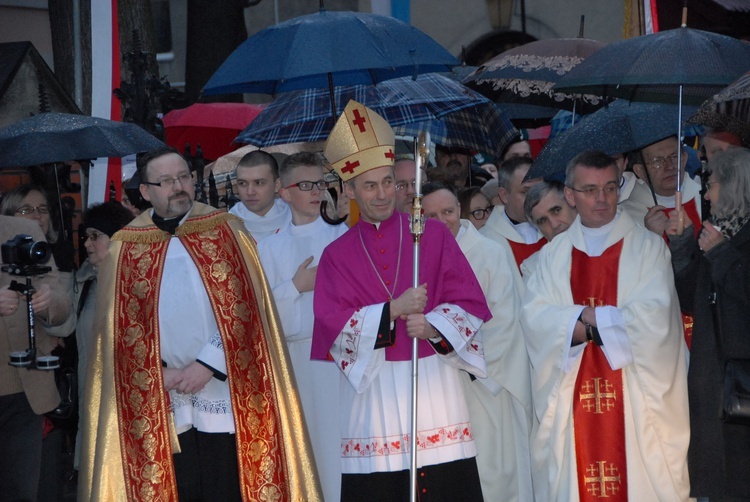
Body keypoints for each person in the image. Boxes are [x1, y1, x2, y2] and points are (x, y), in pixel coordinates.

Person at [79, 147, 320, 501]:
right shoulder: (126, 246)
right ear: (145, 191)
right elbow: (119, 328)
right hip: (160, 392)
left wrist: (208, 363)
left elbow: (248, 309)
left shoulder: (226, 230)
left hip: (225, 387)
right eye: (165, 181)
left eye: (182, 178)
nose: (177, 187)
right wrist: (157, 370)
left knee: (227, 485)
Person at [312, 101, 491, 501]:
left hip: (431, 382)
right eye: (370, 185)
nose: (381, 194)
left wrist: (431, 326)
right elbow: (330, 325)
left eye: (389, 182)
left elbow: (469, 302)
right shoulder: (336, 255)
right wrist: (392, 311)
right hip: (373, 392)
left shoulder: (431, 234)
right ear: (351, 190)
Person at [521, 151, 690, 501]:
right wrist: (592, 321)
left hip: (635, 399)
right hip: (572, 398)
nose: (602, 199)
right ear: (570, 195)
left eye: (610, 188)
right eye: (590, 190)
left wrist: (582, 319)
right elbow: (536, 319)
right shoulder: (553, 257)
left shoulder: (648, 249)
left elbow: (656, 319)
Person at [422, 182, 533, 502]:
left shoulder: (489, 252)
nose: (443, 221)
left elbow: (506, 322)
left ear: (460, 210)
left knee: (494, 475)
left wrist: (458, 354)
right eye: (431, 215)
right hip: (438, 386)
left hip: (484, 382)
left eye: (448, 211)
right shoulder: (417, 257)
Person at [257, 152, 348, 502]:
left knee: (341, 445)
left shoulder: (344, 235)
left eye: (321, 184)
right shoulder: (269, 247)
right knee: (309, 446)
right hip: (297, 359)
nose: (316, 192)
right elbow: (261, 313)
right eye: (305, 185)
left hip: (341, 354)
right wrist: (296, 286)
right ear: (283, 191)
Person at [667, 147, 750, 500]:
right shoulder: (715, 234)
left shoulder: (728, 242)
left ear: (733, 186)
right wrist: (683, 243)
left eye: (712, 184)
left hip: (742, 386)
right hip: (712, 386)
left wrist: (720, 253)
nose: (706, 193)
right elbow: (690, 301)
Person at [0, 215, 72, 501]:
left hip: (24, 389)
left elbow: (59, 297)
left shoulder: (24, 229)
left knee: (20, 491)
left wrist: (48, 300)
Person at [71, 202, 134, 471]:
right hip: (92, 397)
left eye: (96, 236)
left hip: (130, 401)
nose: (87, 243)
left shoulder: (138, 282)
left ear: (117, 236)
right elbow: (61, 327)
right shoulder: (84, 280)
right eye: (86, 236)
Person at [480, 156, 545, 291]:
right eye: (526, 191)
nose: (536, 199)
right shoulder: (484, 241)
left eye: (539, 190)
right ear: (504, 195)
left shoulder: (559, 231)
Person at [228, 149, 292, 242]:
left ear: (277, 185)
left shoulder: (295, 220)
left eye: (259, 183)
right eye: (242, 183)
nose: (250, 192)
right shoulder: (228, 225)